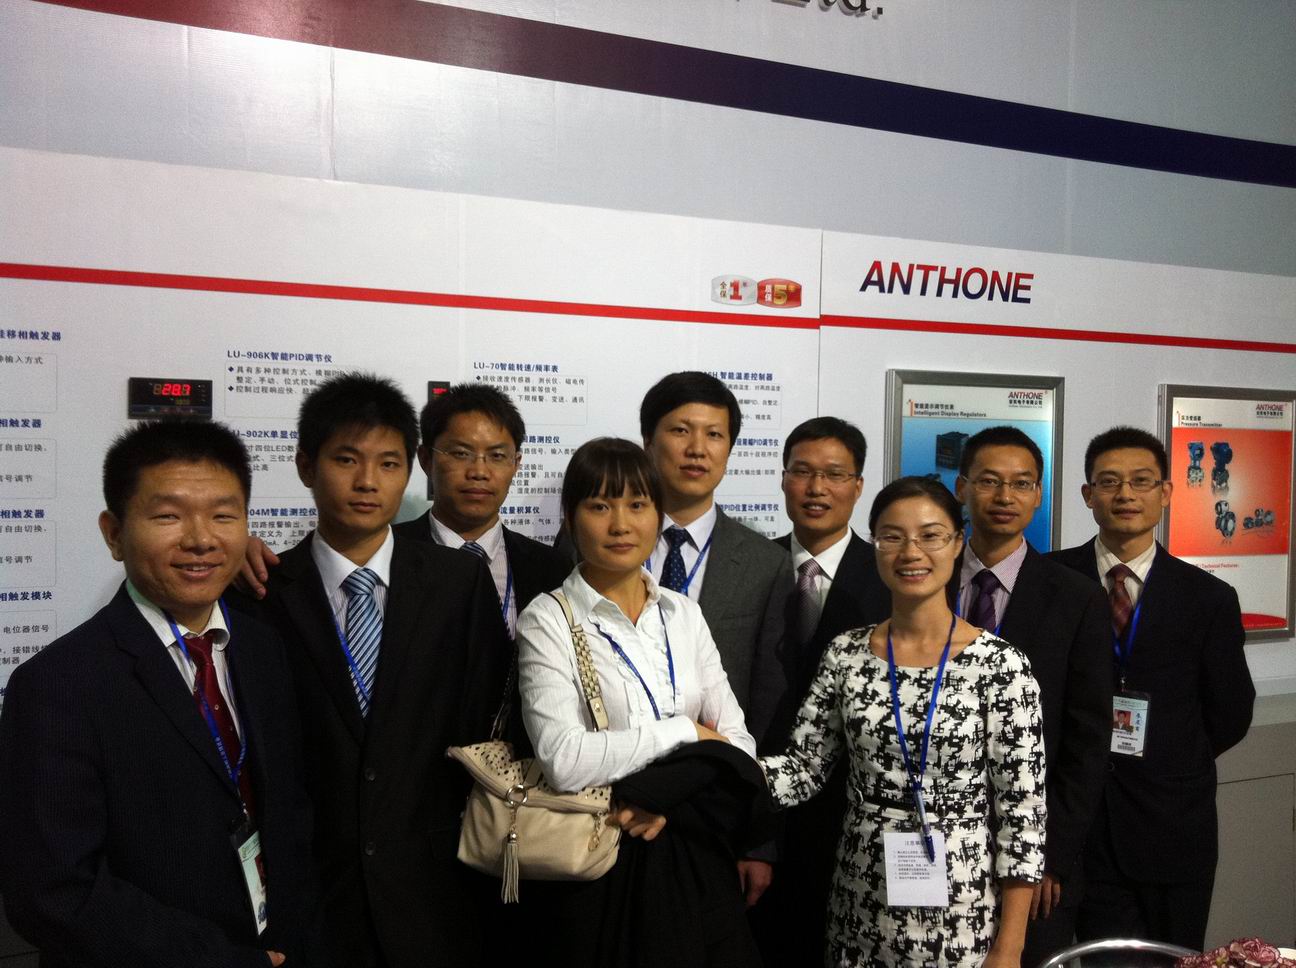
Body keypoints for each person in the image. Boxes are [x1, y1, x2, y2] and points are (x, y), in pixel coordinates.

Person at [0, 420, 324, 968]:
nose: (201, 539)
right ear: (113, 533)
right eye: (168, 516)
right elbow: (54, 893)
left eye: (224, 515)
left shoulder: (263, 647)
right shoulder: (58, 685)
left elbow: (289, 815)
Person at [240, 373, 510, 968]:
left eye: (389, 464)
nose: (368, 481)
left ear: (410, 471)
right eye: (346, 460)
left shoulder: (458, 582)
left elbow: (488, 723)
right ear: (306, 466)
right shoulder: (261, 593)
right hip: (314, 899)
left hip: (440, 891)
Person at [761, 476, 1046, 968]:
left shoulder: (1000, 666)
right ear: (875, 546)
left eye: (930, 535)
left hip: (962, 914)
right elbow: (802, 770)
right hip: (860, 900)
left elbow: (1022, 815)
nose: (911, 552)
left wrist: (1010, 946)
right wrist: (713, 758)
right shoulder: (846, 654)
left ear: (956, 543)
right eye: (892, 536)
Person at [517, 436, 765, 966]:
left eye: (637, 505)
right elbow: (564, 759)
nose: (621, 525)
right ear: (570, 517)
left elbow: (739, 745)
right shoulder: (548, 618)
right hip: (600, 859)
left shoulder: (682, 613)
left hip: (694, 850)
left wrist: (661, 794)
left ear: (658, 515)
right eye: (599, 506)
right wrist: (687, 733)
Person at [1050, 426, 1254, 953]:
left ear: (1165, 493)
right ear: (1088, 494)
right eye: (1109, 482)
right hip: (1077, 826)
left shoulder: (1208, 597)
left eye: (1141, 481)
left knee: (1176, 958)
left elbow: (1230, 712)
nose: (1125, 494)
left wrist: (1167, 757)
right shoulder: (1051, 581)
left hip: (1173, 826)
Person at [952, 426, 1111, 967]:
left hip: (1033, 859)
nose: (1005, 496)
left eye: (1021, 484)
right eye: (989, 481)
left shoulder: (1076, 597)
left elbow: (1087, 741)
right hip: (934, 844)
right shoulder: (925, 581)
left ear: (1039, 495)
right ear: (961, 487)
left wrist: (1047, 856)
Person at [757, 415, 891, 966]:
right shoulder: (752, 565)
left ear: (858, 486)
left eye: (835, 474)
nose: (817, 488)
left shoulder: (891, 576)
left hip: (852, 818)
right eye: (802, 472)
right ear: (783, 479)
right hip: (758, 804)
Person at [395, 382, 570, 631]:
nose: (479, 472)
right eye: (461, 454)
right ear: (426, 459)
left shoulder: (553, 568)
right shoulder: (388, 554)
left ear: (516, 464)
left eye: (497, 456)